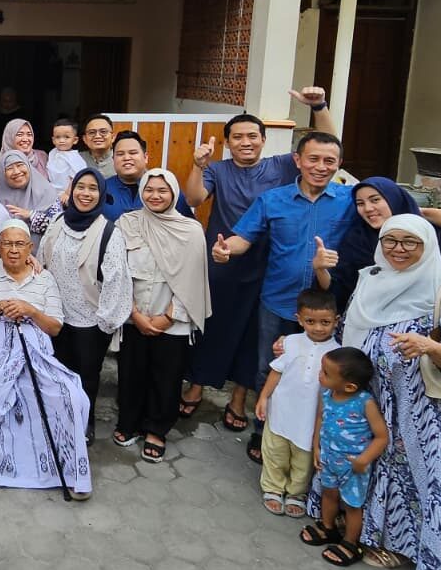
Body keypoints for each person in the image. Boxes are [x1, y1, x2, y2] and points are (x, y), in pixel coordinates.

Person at [310, 214, 441, 570]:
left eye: (411, 242)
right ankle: (352, 525)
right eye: (391, 241)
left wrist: (429, 346)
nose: (399, 250)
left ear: (428, 247)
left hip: (413, 411)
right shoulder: (370, 279)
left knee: (407, 475)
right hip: (364, 401)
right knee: (360, 462)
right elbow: (344, 329)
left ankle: (399, 545)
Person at [212, 131, 353, 463]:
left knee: (322, 375)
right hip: (277, 302)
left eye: (329, 161)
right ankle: (266, 432)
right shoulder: (272, 200)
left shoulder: (350, 200)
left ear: (339, 164)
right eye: (313, 159)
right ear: (298, 161)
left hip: (329, 308)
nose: (320, 167)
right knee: (269, 368)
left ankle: (311, 440)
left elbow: (401, 213)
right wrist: (224, 251)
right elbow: (242, 239)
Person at [179, 106, 321, 434]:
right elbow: (194, 197)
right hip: (223, 258)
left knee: (252, 332)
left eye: (252, 137)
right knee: (210, 324)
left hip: (269, 264)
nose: (246, 142)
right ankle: (198, 384)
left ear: (263, 140)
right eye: (238, 137)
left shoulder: (283, 165)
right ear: (227, 143)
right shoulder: (219, 170)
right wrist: (199, 166)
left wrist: (319, 108)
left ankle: (239, 398)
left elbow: (326, 141)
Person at [0, 219, 91, 498]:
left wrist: (30, 310)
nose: (14, 249)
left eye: (20, 244)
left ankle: (68, 470)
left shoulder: (44, 278)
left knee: (72, 396)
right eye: (7, 243)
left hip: (36, 350)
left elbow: (55, 327)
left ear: (31, 247)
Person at [113, 170, 211, 463]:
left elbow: (194, 278)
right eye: (149, 189)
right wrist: (135, 314)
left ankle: (156, 428)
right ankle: (129, 422)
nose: (155, 195)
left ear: (174, 194)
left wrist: (168, 317)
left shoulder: (191, 230)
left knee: (166, 377)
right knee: (131, 373)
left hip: (174, 319)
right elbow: (116, 272)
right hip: (134, 315)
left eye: (163, 190)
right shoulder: (127, 223)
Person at [37, 168, 131, 443]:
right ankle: (57, 419)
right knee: (56, 371)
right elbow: (41, 260)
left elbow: (116, 280)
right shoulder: (57, 222)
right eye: (81, 187)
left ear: (101, 194)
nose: (85, 193)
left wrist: (106, 321)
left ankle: (83, 422)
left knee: (86, 376)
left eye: (92, 188)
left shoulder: (109, 232)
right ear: (72, 190)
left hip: (90, 320)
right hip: (55, 316)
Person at [319, 177, 441, 309]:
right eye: (360, 203)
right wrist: (319, 269)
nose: (368, 208)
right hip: (370, 333)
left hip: (426, 338)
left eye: (375, 200)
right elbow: (341, 290)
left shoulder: (434, 236)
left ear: (394, 199)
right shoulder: (357, 241)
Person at [254, 288, 339, 517]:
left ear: (336, 321)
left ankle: (296, 493)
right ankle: (272, 487)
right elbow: (276, 372)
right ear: (298, 319)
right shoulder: (290, 342)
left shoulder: (337, 353)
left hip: (310, 418)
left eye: (325, 322)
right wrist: (263, 397)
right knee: (275, 452)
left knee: (303, 459)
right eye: (310, 321)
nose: (318, 328)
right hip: (281, 410)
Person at [301, 347, 389, 567]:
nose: (320, 375)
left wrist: (363, 460)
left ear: (349, 386)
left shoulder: (364, 403)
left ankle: (351, 543)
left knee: (352, 505)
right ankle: (328, 527)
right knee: (328, 494)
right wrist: (317, 447)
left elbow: (381, 436)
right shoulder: (327, 395)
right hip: (328, 459)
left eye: (326, 374)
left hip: (353, 467)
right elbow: (320, 420)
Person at [0, 149, 61, 231]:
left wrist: (31, 215)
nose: (16, 171)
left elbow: (58, 226)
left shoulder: (47, 192)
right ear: (2, 173)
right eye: (9, 168)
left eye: (20, 165)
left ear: (28, 166)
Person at [101, 130, 150, 217]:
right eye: (120, 154)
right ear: (113, 159)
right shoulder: (101, 189)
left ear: (145, 157)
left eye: (133, 153)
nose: (127, 158)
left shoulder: (165, 190)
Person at [47, 118, 86, 192]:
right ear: (53, 140)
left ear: (75, 140)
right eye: (58, 137)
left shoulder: (75, 157)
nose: (62, 141)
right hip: (51, 191)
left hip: (66, 193)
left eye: (66, 137)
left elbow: (76, 177)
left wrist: (67, 193)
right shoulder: (52, 153)